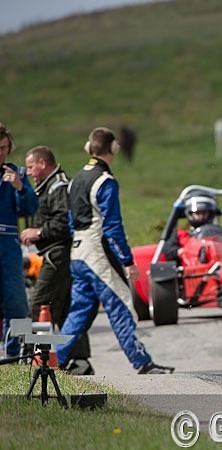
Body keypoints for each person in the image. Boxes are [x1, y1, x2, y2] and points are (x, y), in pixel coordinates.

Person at [57, 127, 174, 374]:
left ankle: (53, 360)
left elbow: (70, 221)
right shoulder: (105, 181)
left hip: (77, 252)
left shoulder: (75, 179)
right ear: (113, 149)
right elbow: (112, 226)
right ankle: (142, 362)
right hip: (97, 253)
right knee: (122, 304)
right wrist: (127, 260)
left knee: (78, 312)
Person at [19, 146, 93, 373]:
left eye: (31, 166)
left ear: (43, 163)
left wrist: (38, 233)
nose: (30, 172)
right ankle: (79, 361)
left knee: (36, 304)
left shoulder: (58, 187)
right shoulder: (47, 187)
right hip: (55, 254)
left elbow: (64, 223)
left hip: (58, 254)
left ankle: (30, 358)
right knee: (63, 309)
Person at [0, 123, 39, 358]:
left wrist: (20, 187)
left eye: (4, 147)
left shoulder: (17, 174)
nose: (1, 153)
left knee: (17, 305)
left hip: (8, 246)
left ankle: (16, 355)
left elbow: (31, 208)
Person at [163, 194, 222, 261]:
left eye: (204, 212)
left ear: (210, 213)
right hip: (192, 266)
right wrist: (181, 252)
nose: (201, 216)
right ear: (190, 214)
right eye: (198, 213)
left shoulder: (219, 232)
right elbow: (169, 250)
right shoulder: (181, 235)